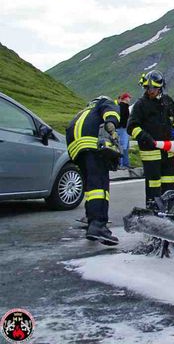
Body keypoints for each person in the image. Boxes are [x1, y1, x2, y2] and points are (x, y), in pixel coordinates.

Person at [127, 70, 174, 208]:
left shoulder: (168, 101)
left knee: (169, 183)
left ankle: (171, 210)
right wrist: (145, 137)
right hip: (151, 153)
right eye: (148, 88)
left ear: (160, 88)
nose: (151, 91)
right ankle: (153, 212)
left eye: (154, 88)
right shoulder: (141, 105)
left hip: (168, 151)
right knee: (153, 184)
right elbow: (131, 127)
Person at [66, 96, 121, 245]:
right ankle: (98, 225)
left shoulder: (82, 113)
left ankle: (91, 221)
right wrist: (112, 126)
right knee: (100, 186)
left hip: (75, 149)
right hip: (92, 145)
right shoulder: (104, 103)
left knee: (90, 188)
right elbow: (111, 112)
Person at [117, 92, 132, 169]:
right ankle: (123, 164)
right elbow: (123, 118)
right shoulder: (123, 107)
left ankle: (124, 163)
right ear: (126, 98)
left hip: (122, 128)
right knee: (123, 146)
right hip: (123, 128)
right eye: (129, 98)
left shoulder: (121, 106)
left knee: (124, 146)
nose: (130, 99)